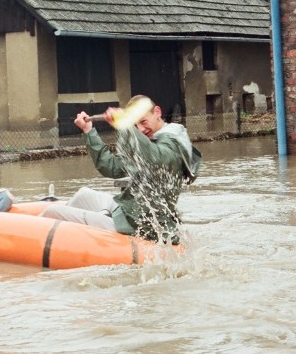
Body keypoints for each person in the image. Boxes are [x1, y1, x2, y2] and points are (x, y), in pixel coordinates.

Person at [40, 95, 201, 244]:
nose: (141, 130)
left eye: (143, 122)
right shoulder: (148, 143)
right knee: (83, 195)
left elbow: (157, 159)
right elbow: (112, 167)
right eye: (135, 125)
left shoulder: (173, 143)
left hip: (138, 226)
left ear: (157, 112)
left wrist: (124, 125)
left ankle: (35, 237)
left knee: (52, 212)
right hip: (127, 210)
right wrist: (89, 131)